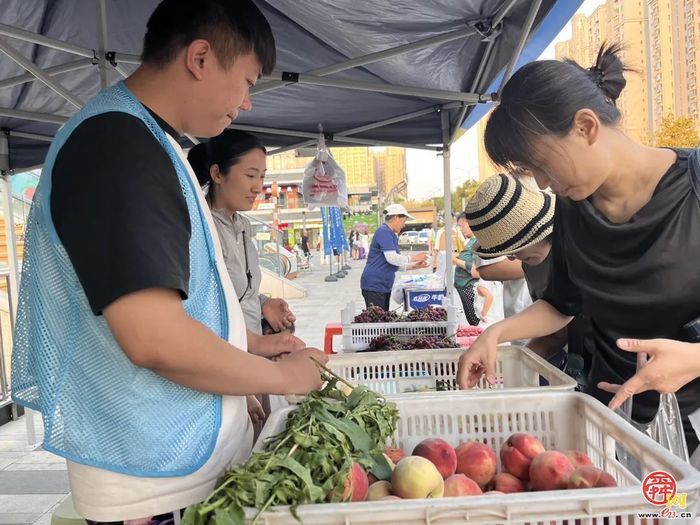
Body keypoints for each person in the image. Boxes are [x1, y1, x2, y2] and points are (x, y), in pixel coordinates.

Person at [10, 2, 328, 523]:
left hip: (170, 457)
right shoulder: (117, 145)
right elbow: (154, 338)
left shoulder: (149, 142)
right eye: (246, 81)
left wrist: (253, 347)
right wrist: (284, 378)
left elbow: (182, 306)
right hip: (148, 476)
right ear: (200, 57)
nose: (246, 104)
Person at [457, 43, 700, 455]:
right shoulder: (573, 210)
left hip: (691, 429)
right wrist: (497, 334)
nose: (544, 183)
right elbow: (561, 304)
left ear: (586, 127)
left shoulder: (693, 186)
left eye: (542, 165)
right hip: (615, 426)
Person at [188, 129, 296, 336]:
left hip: (248, 353)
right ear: (217, 174)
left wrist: (263, 303)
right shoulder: (200, 230)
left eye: (262, 177)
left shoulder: (243, 225)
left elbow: (237, 293)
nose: (258, 187)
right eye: (250, 175)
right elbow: (202, 312)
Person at [360, 204, 429, 310]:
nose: (404, 225)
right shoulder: (384, 231)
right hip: (375, 285)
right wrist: (414, 257)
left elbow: (396, 265)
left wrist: (416, 266)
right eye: (404, 221)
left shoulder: (391, 234)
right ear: (395, 217)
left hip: (382, 286)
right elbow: (392, 258)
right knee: (378, 323)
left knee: (382, 321)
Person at [452, 212, 488, 326]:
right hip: (463, 289)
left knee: (475, 323)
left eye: (462, 226)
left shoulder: (479, 242)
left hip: (469, 289)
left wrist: (456, 261)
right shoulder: (471, 241)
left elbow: (476, 271)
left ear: (471, 224)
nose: (461, 229)